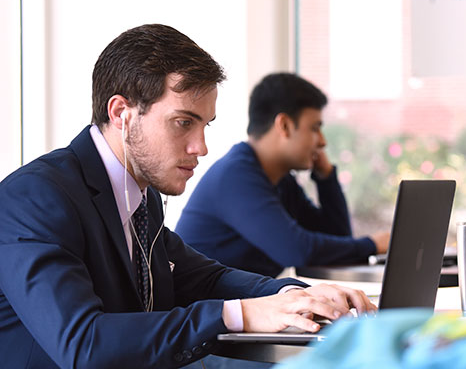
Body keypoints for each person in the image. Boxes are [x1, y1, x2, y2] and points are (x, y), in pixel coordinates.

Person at [0, 24, 376, 369]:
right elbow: (83, 344)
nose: (201, 147)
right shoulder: (35, 197)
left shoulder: (139, 197)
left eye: (204, 125)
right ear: (122, 113)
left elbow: (206, 278)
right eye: (183, 123)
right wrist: (239, 314)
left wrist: (302, 296)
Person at [176, 73, 390, 277]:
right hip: (202, 312)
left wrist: (326, 178)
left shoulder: (280, 180)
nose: (322, 141)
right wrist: (373, 244)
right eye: (314, 128)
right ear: (285, 125)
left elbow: (338, 238)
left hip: (240, 310)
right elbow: (297, 250)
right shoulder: (235, 176)